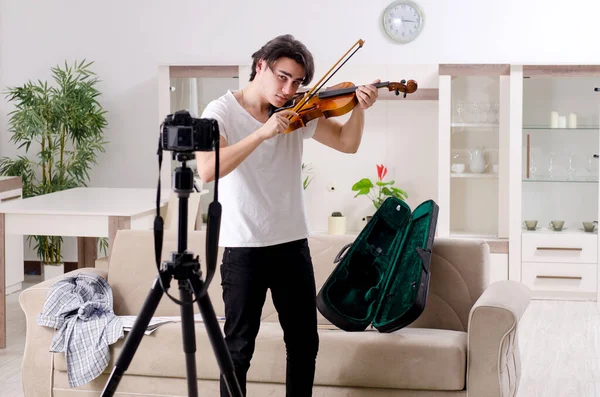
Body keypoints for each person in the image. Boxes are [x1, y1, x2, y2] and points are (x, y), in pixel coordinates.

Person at [196, 34, 379, 397]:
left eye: (296, 82)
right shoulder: (219, 112)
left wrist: (358, 109)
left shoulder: (299, 110)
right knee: (237, 350)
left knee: (304, 344)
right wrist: (263, 133)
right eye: (282, 77)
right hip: (242, 247)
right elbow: (206, 169)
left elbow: (347, 143)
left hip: (291, 243)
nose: (288, 89)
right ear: (260, 65)